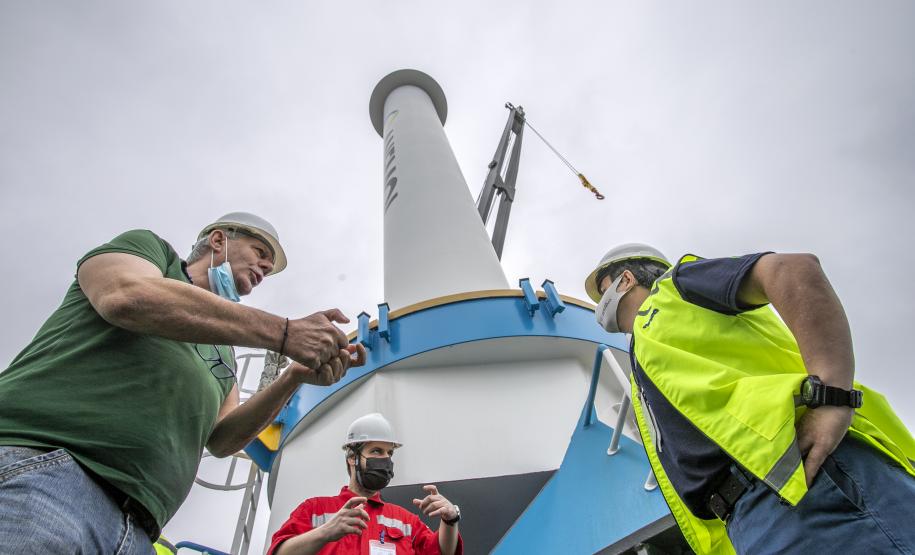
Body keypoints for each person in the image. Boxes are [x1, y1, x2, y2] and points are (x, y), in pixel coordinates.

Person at [0, 212, 367, 554]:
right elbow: (123, 295)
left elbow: (222, 439)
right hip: (47, 474)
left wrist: (293, 376)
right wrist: (284, 333)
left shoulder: (223, 351)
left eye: (268, 267)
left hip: (138, 526)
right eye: (260, 253)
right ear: (219, 240)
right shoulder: (152, 254)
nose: (265, 268)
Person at [584, 244, 915, 555]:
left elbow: (791, 270)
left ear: (626, 279)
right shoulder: (641, 363)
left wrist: (832, 394)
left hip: (809, 480)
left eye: (603, 291)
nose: (600, 306)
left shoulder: (676, 287)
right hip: (752, 519)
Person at [268, 413, 463, 555]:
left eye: (389, 453)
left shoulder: (406, 521)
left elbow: (441, 552)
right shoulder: (314, 509)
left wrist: (450, 520)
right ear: (352, 458)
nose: (385, 459)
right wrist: (326, 532)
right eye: (376, 451)